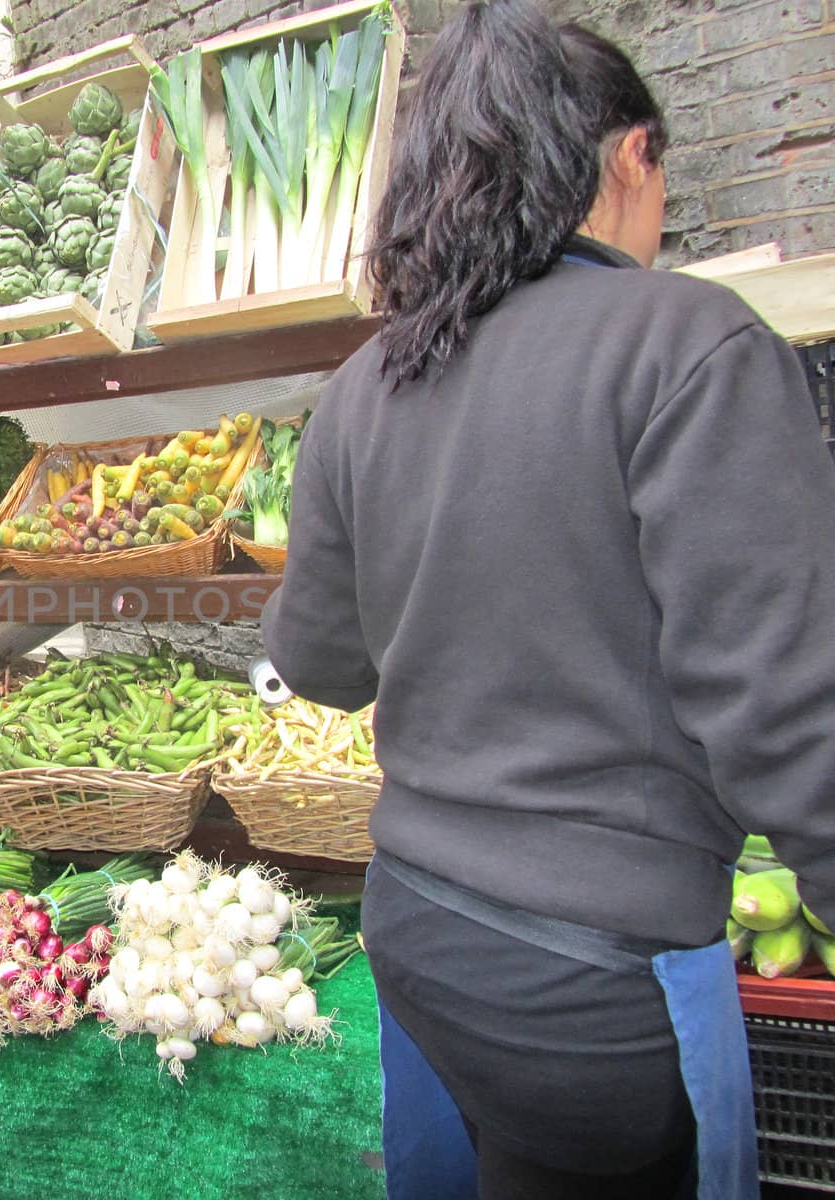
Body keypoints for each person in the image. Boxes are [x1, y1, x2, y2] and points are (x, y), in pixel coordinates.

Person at [260, 3, 826, 1197]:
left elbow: (319, 662)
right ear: (629, 156)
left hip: (413, 928)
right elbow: (789, 709)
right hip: (593, 982)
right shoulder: (687, 343)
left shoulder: (366, 383)